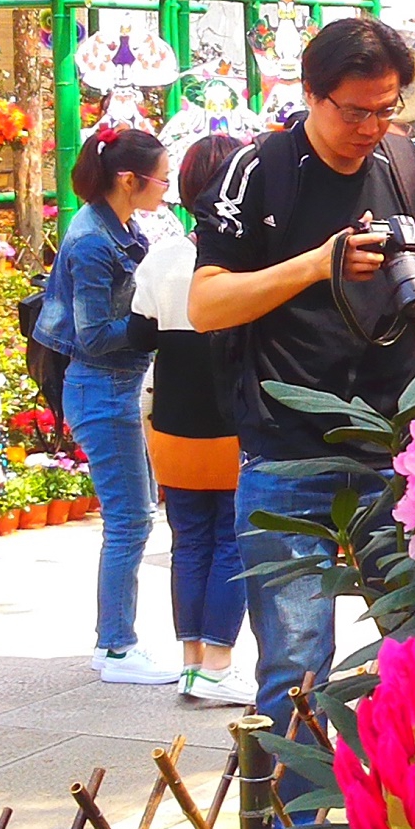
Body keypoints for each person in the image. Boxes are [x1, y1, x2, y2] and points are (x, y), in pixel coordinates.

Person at [192, 16, 415, 734]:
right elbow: (206, 302)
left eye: (387, 109)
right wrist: (318, 263)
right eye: (356, 110)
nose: (372, 126)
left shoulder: (411, 167)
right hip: (289, 448)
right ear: (312, 94)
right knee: (297, 662)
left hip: (396, 447)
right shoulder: (258, 172)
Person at [38, 123, 172, 683]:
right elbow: (92, 336)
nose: (165, 189)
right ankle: (115, 648)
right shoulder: (94, 240)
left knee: (135, 518)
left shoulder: (115, 224)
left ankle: (117, 641)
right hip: (102, 389)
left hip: (112, 388)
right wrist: (150, 327)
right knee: (128, 522)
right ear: (128, 179)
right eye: (160, 180)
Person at [137, 134, 256, 708]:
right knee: (232, 540)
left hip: (175, 424)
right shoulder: (243, 262)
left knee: (188, 541)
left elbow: (139, 333)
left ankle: (191, 663)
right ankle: (219, 661)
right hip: (232, 421)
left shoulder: (160, 258)